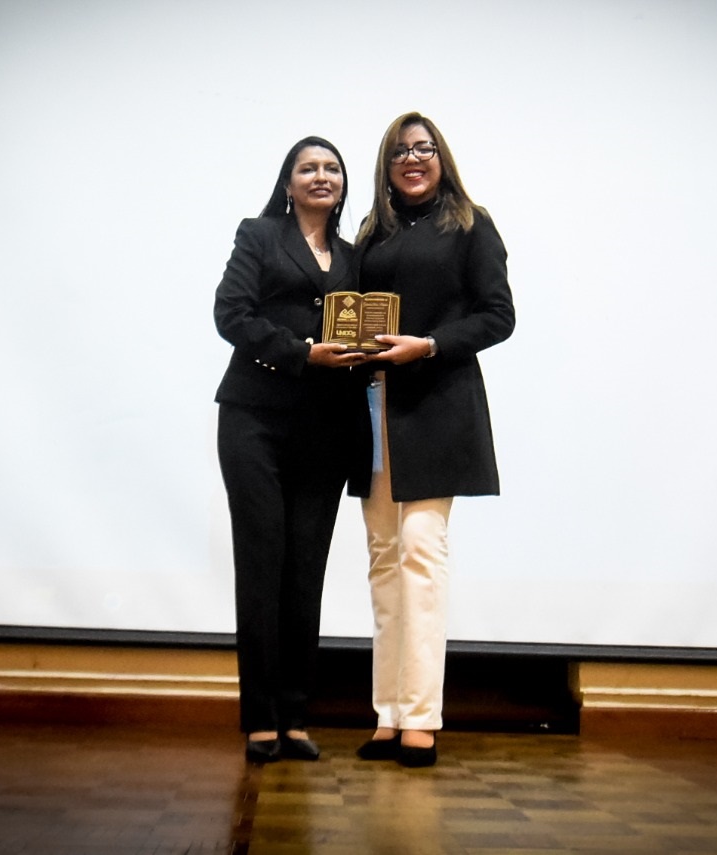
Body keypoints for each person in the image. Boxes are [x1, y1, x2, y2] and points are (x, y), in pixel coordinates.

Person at [350, 113, 515, 767]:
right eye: (399, 151)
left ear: (441, 157)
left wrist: (429, 345)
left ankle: (420, 717)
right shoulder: (372, 231)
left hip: (437, 407)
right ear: (386, 165)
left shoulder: (471, 223)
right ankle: (387, 714)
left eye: (423, 148)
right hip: (373, 406)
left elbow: (498, 316)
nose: (412, 159)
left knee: (420, 552)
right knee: (384, 559)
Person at [213, 136, 368, 764]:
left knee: (306, 571)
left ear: (343, 183)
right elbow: (231, 314)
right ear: (288, 182)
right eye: (308, 168)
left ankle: (295, 716)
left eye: (332, 168)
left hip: (326, 428)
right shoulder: (258, 235)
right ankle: (260, 719)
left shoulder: (356, 256)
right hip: (254, 418)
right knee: (262, 567)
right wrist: (302, 353)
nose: (321, 176)